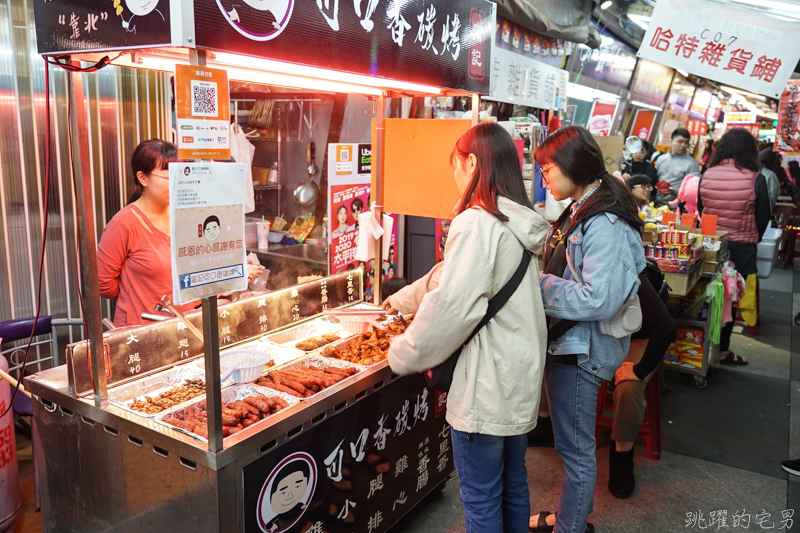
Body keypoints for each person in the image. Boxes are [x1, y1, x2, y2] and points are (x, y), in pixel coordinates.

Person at [387, 121, 551, 532]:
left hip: (487, 386)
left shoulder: (476, 222)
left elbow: (452, 307)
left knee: (479, 499)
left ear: (473, 163)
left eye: (456, 168)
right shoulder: (517, 221)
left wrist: (402, 352)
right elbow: (449, 279)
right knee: (513, 485)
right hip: (518, 379)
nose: (456, 179)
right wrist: (401, 302)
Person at [530, 125, 645, 533]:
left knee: (576, 452)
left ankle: (570, 527)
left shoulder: (605, 223)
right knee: (571, 448)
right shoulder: (583, 205)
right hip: (571, 343)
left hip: (583, 351)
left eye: (547, 168)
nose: (544, 177)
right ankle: (569, 519)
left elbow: (599, 298)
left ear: (572, 165)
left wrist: (536, 284)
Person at [98, 140, 262, 327]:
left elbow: (194, 267)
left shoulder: (185, 216)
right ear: (142, 178)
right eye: (170, 178)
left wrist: (231, 271)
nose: (178, 184)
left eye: (181, 177)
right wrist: (138, 293)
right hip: (141, 329)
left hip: (184, 325)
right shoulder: (123, 224)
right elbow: (103, 283)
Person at [698, 128, 771, 366]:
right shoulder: (755, 178)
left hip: (711, 244)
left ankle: (699, 349)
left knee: (708, 296)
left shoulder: (706, 174)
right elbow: (763, 216)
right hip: (741, 248)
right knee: (730, 297)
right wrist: (751, 237)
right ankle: (722, 351)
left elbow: (702, 210)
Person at [607, 268, 675, 499]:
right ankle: (547, 424)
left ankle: (622, 456)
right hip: (600, 335)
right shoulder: (574, 252)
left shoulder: (632, 269)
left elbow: (665, 327)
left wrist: (639, 370)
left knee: (628, 387)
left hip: (637, 337)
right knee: (551, 359)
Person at [654, 128, 700, 207]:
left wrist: (674, 191)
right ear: (671, 141)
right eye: (680, 141)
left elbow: (693, 190)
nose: (683, 145)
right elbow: (655, 178)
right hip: (657, 204)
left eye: (686, 142)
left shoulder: (692, 164)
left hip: (677, 207)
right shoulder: (661, 159)